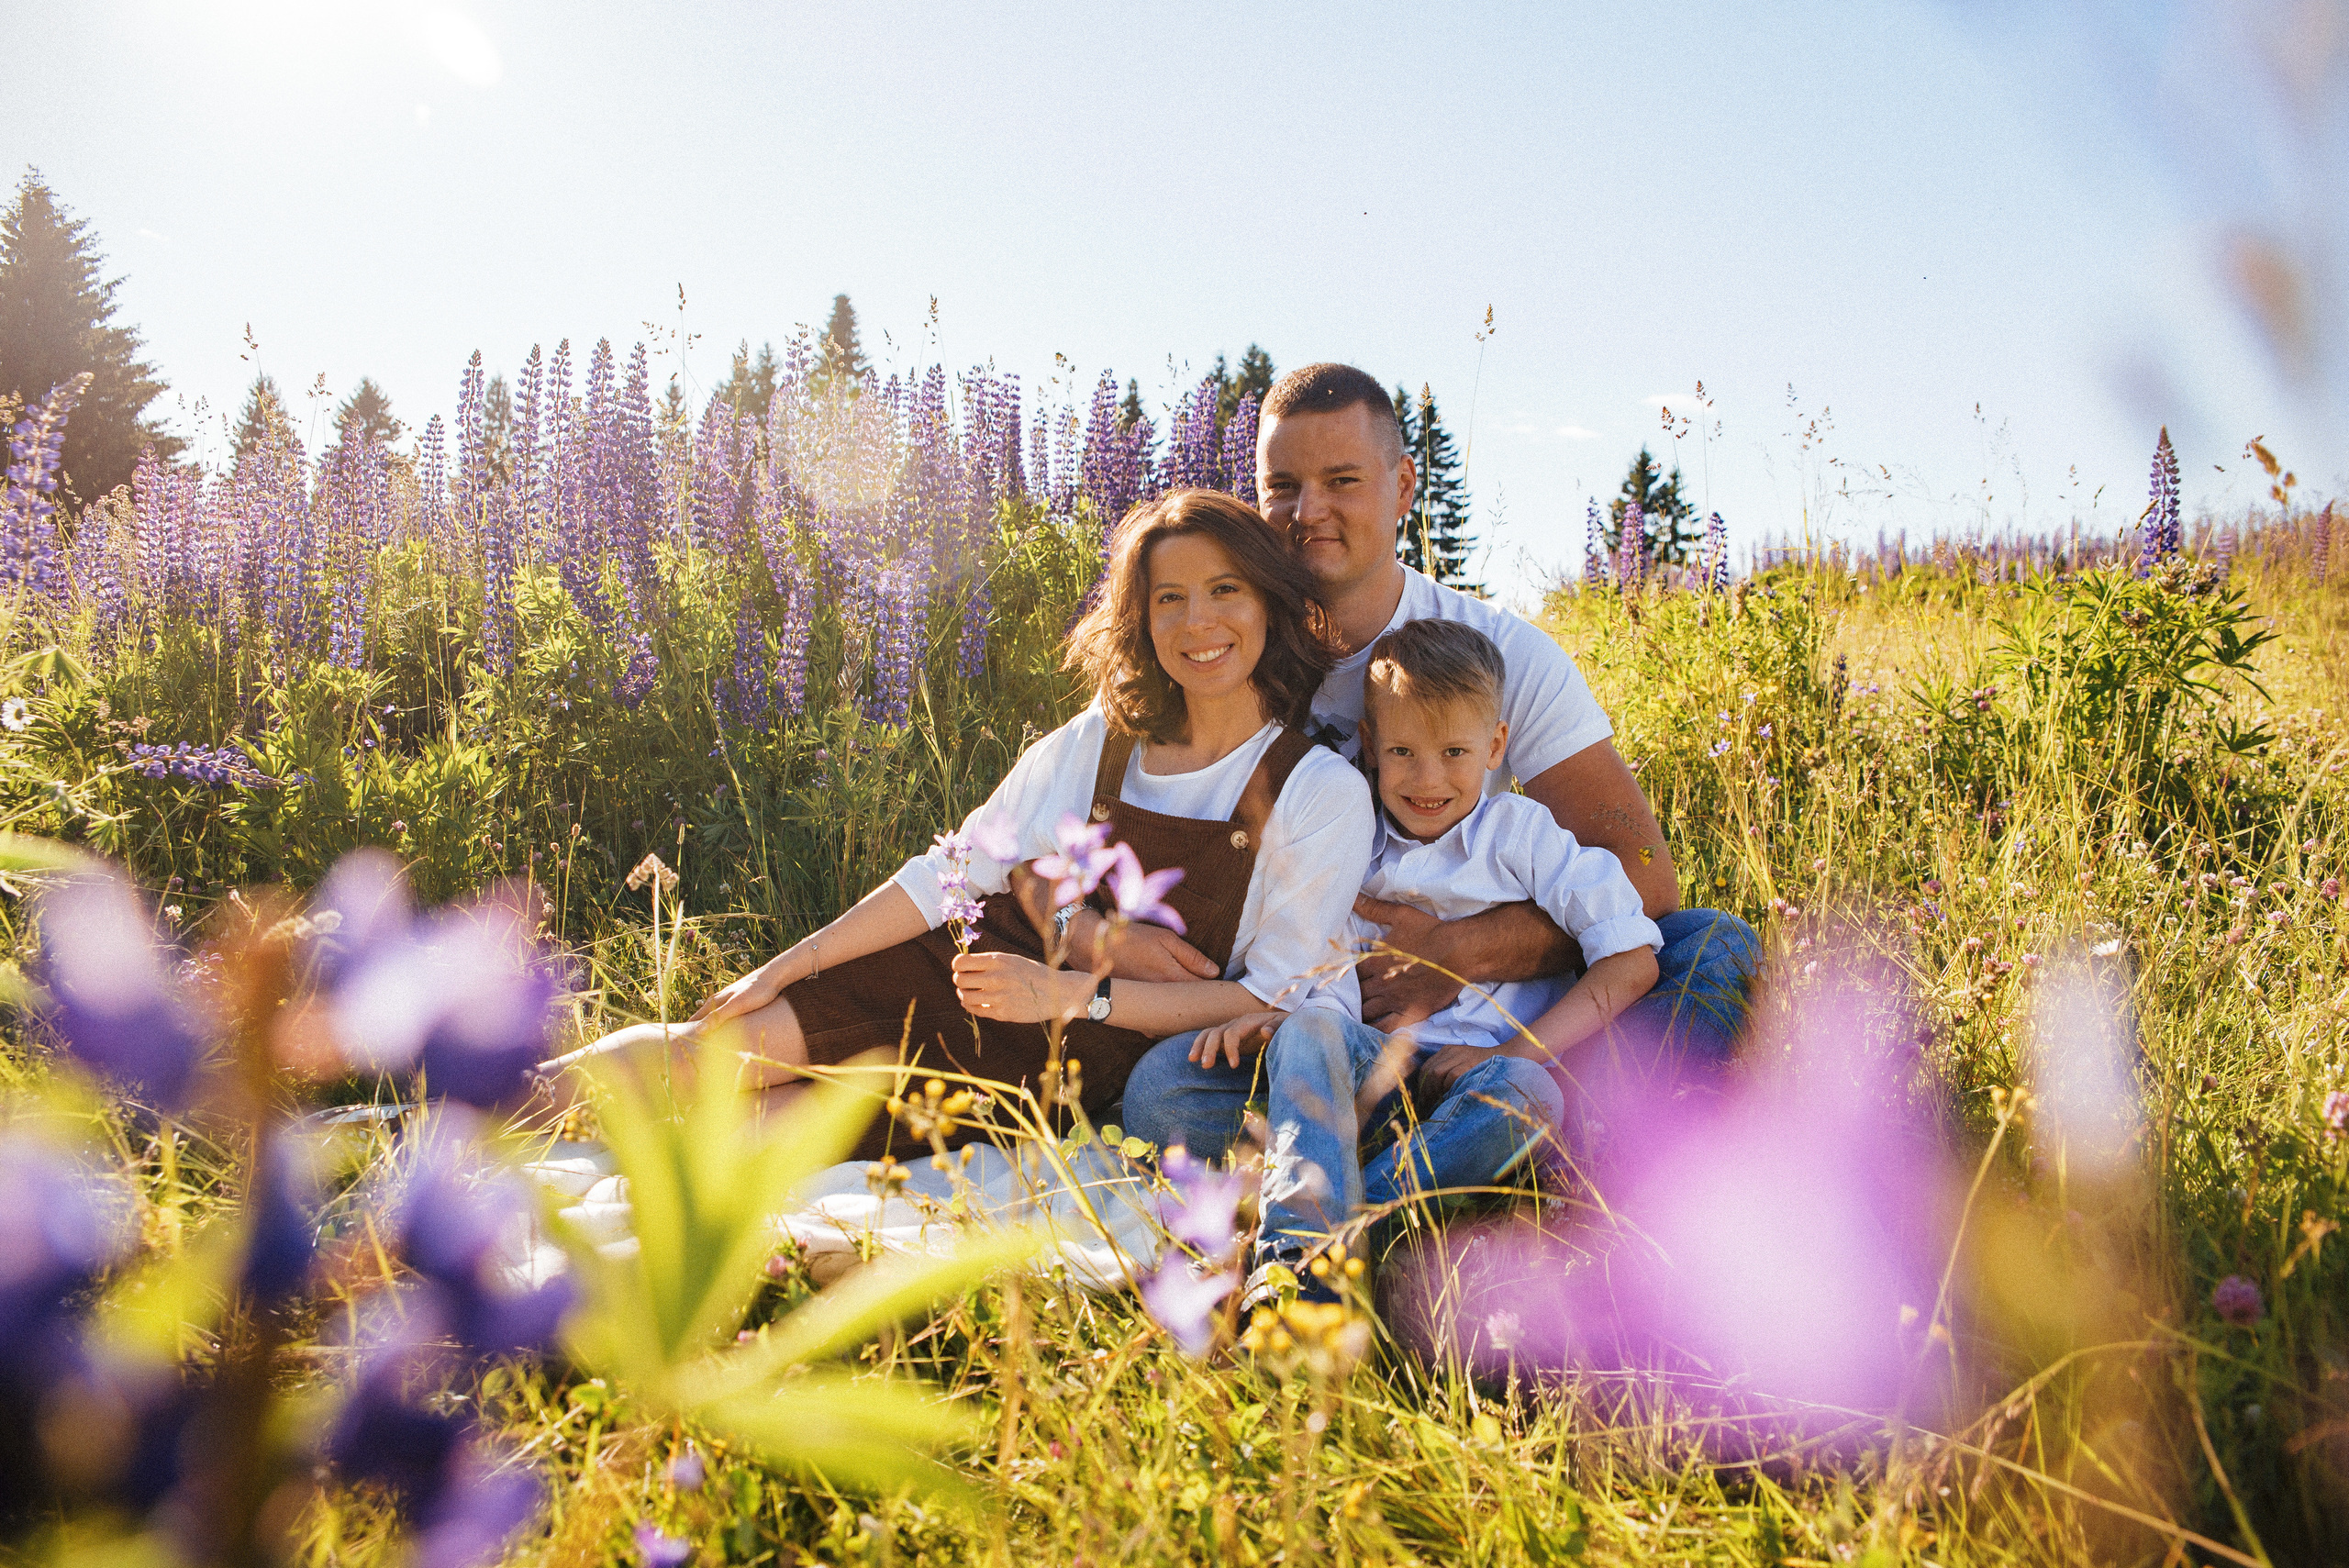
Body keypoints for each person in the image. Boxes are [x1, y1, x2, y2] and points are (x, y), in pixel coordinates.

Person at [562, 490, 1373, 1162]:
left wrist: (1068, 994)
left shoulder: (1317, 791)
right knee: (704, 1058)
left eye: (1226, 589)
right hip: (964, 963)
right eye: (1170, 597)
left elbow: (1263, 996)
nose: (1198, 621)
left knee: (750, 1134)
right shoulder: (1100, 739)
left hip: (1063, 1044)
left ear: (1269, 601)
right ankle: (489, 1100)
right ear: (1141, 617)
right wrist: (786, 965)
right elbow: (953, 868)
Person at [1119, 361, 1757, 1162]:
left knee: (1712, 945)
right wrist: (1088, 930)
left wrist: (1459, 952)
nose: (1308, 512)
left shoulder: (1494, 651)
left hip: (1505, 1025)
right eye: (1282, 486)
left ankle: (1499, 1131)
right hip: (1336, 1033)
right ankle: (1505, 1149)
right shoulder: (1218, 649)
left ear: (1403, 487)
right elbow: (1080, 811)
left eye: (1342, 480)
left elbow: (1645, 880)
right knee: (1162, 1094)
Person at [1189, 619, 1663, 1296]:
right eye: (1404, 751)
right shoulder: (1353, 839)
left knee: (1529, 1097)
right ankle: (1305, 1242)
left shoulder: (1522, 835)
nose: (1428, 778)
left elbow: (1632, 958)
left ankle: (1314, 1256)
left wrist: (1516, 1052)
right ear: (1371, 746)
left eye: (1454, 752)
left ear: (1496, 746)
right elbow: (1328, 982)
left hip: (1483, 1080)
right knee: (1209, 1073)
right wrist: (1293, 1033)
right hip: (1375, 1081)